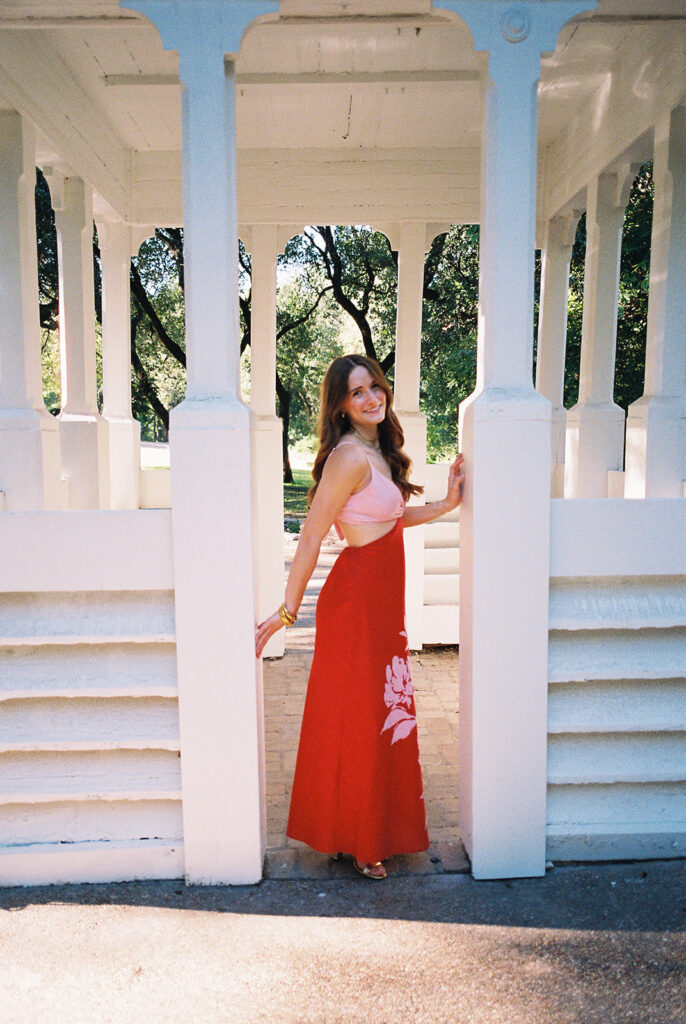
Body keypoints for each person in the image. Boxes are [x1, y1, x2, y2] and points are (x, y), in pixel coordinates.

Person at [255, 354, 465, 879]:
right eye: (357, 392)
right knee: (360, 716)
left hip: (382, 605)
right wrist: (287, 611)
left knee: (381, 715)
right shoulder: (348, 458)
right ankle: (362, 839)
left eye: (375, 386)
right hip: (356, 605)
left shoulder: (376, 451)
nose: (372, 398)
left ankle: (364, 829)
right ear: (341, 406)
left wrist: (445, 505)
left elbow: (391, 518)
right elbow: (310, 535)